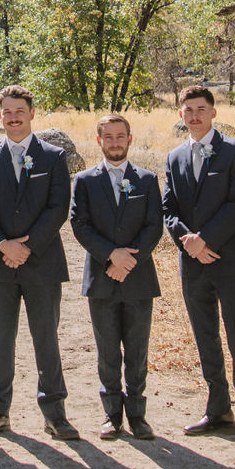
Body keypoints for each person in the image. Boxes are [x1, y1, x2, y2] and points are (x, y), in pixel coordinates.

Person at [0, 85, 78, 440]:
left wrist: (27, 248)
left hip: (42, 263)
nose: (14, 117)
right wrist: (3, 245)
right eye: (7, 111)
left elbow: (57, 208)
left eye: (20, 111)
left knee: (46, 339)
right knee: (0, 342)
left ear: (32, 114)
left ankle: (55, 414)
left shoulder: (53, 157)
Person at [162, 85, 235, 449]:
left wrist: (207, 240)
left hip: (229, 260)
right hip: (192, 262)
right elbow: (168, 209)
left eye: (201, 109)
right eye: (188, 110)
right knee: (206, 339)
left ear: (214, 113)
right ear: (180, 115)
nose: (195, 116)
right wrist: (188, 241)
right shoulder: (174, 157)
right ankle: (218, 410)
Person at [70, 112, 162, 440]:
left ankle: (137, 415)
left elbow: (154, 225)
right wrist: (112, 255)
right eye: (108, 137)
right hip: (101, 276)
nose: (114, 142)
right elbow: (79, 224)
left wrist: (129, 260)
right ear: (99, 141)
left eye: (120, 136)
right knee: (108, 351)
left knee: (137, 350)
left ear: (130, 138)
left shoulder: (148, 180)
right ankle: (111, 415)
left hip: (138, 278)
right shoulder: (85, 181)